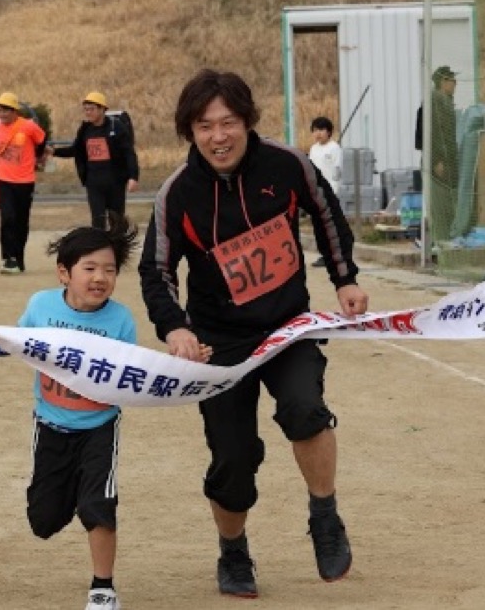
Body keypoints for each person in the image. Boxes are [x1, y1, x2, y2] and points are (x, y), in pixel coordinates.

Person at [138, 68, 369, 599]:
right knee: (233, 457)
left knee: (304, 409)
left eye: (228, 123)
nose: (218, 136)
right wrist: (175, 327)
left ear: (247, 122)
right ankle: (233, 551)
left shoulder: (287, 164)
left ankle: (325, 515)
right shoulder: (177, 193)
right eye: (205, 126)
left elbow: (327, 214)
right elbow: (157, 268)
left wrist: (345, 279)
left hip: (288, 327)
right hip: (219, 342)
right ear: (190, 132)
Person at [0, 214, 165, 610]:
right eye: (89, 268)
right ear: (64, 273)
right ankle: (74, 493)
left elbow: (134, 372)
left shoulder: (120, 320)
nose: (100, 278)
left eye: (109, 270)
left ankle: (103, 589)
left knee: (98, 506)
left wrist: (186, 369)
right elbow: (15, 341)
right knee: (43, 521)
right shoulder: (41, 306)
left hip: (99, 429)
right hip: (50, 426)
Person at [49, 91, 140, 229]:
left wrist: (133, 177)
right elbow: (76, 150)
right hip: (94, 183)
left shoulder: (116, 127)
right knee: (97, 220)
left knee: (117, 220)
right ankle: (99, 243)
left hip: (115, 182)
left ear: (102, 109)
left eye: (91, 109)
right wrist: (54, 151)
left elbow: (129, 153)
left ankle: (117, 243)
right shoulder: (85, 130)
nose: (88, 113)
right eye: (86, 110)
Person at [0, 92, 48, 274]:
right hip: (3, 179)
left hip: (25, 180)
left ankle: (18, 258)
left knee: (21, 221)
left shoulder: (28, 126)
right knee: (8, 218)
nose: (2, 114)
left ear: (15, 111)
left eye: (6, 110)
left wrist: (38, 157)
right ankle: (8, 258)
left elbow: (42, 139)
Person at [421, 66, 459, 243]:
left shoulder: (445, 100)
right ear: (443, 82)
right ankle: (441, 242)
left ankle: (445, 239)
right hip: (438, 162)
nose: (455, 84)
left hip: (447, 160)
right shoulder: (436, 100)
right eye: (452, 80)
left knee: (448, 204)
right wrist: (437, 159)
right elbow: (434, 132)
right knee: (441, 205)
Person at [307, 117, 343, 266]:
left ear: (329, 132)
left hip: (329, 193)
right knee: (319, 226)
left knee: (331, 226)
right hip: (316, 193)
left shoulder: (334, 148)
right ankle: (324, 254)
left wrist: (333, 192)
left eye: (321, 130)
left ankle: (335, 255)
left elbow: (337, 172)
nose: (318, 133)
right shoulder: (313, 149)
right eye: (315, 130)